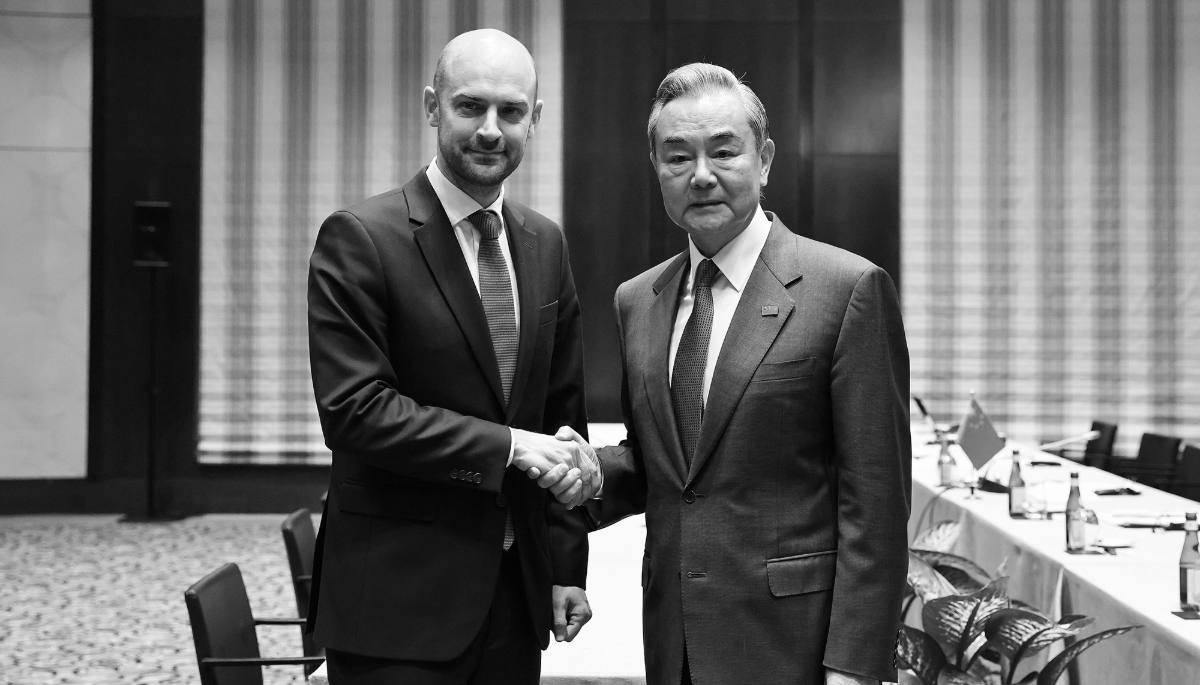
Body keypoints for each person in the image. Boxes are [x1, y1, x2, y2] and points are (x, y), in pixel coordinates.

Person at [546, 63, 911, 684]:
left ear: (764, 160)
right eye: (678, 156)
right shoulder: (640, 299)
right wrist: (592, 472)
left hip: (795, 647)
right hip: (674, 640)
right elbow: (665, 468)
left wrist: (854, 666)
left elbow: (875, 504)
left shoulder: (845, 289)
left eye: (724, 151)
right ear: (656, 168)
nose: (702, 175)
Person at [306, 29, 596, 685]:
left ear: (536, 118)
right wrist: (511, 447)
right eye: (471, 107)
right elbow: (356, 413)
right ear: (433, 106)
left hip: (515, 602)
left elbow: (561, 417)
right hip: (396, 606)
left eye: (511, 111)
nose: (491, 130)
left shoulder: (545, 244)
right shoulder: (362, 238)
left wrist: (563, 566)